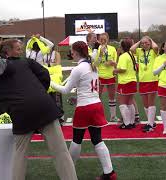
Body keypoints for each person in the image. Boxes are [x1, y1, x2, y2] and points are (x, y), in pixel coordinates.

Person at [0, 41, 77, 180]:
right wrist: (39, 92)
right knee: (61, 152)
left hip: (21, 114)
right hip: (45, 107)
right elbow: (45, 75)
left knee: (20, 155)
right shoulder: (25, 62)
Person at [50, 41, 117, 180]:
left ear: (76, 52)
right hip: (96, 105)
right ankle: (109, 172)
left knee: (77, 140)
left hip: (85, 107)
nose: (71, 53)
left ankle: (69, 171)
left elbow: (65, 90)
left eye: (71, 50)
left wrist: (49, 82)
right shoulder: (92, 65)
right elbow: (85, 86)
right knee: (97, 139)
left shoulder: (79, 68)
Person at [130, 36, 159, 132]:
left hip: (152, 79)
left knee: (151, 103)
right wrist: (140, 41)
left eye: (147, 43)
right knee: (145, 104)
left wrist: (150, 39)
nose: (145, 44)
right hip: (142, 80)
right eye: (143, 43)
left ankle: (150, 125)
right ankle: (152, 122)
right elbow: (131, 49)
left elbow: (156, 47)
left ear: (150, 43)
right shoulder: (139, 51)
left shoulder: (153, 52)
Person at [114, 38, 138, 129]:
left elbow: (123, 69)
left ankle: (127, 123)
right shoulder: (132, 55)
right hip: (133, 80)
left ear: (122, 46)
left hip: (125, 82)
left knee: (122, 103)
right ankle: (131, 122)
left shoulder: (123, 56)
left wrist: (115, 70)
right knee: (130, 102)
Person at [95, 32, 119, 122]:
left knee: (112, 97)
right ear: (99, 40)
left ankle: (113, 116)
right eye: (101, 39)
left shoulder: (112, 49)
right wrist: (100, 54)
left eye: (104, 39)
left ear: (108, 39)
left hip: (110, 75)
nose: (103, 41)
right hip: (100, 76)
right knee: (97, 97)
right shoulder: (97, 49)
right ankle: (98, 116)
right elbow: (96, 64)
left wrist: (112, 63)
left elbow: (116, 64)